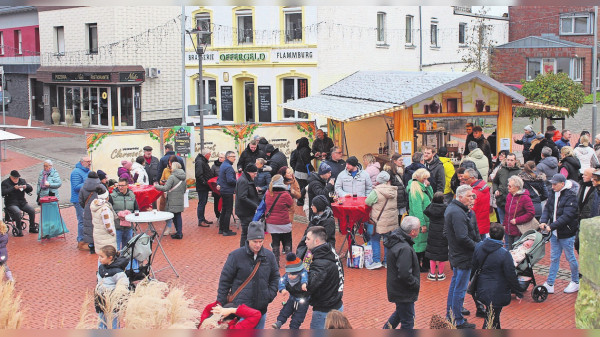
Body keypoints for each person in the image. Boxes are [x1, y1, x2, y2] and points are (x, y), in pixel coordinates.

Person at [216, 221, 279, 329]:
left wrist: (268, 296)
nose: (258, 245)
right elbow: (225, 281)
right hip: (240, 312)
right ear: (248, 239)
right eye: (255, 241)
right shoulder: (235, 256)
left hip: (260, 311)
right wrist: (220, 305)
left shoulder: (269, 256)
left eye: (261, 241)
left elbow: (275, 278)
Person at [472, 223, 524, 329]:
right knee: (491, 319)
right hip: (498, 291)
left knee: (493, 317)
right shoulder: (504, 254)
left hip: (482, 287)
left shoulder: (479, 247)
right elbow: (511, 275)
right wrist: (518, 291)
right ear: (502, 236)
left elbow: (474, 266)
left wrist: (473, 282)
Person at [444, 185, 480, 329]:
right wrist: (478, 247)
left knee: (455, 286)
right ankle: (457, 320)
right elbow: (462, 237)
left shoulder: (452, 209)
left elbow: (447, 233)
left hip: (456, 254)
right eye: (469, 196)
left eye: (472, 196)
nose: (472, 198)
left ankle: (451, 315)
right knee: (459, 288)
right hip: (463, 256)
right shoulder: (458, 213)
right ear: (460, 197)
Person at [540, 174, 580, 294]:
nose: (552, 186)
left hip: (566, 233)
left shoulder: (571, 196)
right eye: (552, 184)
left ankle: (575, 281)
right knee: (554, 258)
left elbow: (567, 216)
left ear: (562, 184)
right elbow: (547, 208)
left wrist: (551, 226)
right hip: (555, 233)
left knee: (570, 258)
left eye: (555, 184)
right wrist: (543, 221)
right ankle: (550, 282)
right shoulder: (553, 193)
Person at [382, 216, 421, 329]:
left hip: (398, 289)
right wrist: (415, 283)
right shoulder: (404, 248)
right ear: (413, 232)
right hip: (403, 291)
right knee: (408, 321)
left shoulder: (397, 241)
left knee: (400, 314)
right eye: (418, 228)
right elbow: (404, 274)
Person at [305, 226, 344, 329]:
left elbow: (309, 286)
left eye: (308, 239)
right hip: (337, 305)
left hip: (324, 312)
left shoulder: (320, 264)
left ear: (317, 241)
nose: (305, 241)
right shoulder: (331, 253)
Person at [365, 171, 398, 270]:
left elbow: (368, 202)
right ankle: (387, 262)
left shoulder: (376, 191)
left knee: (374, 239)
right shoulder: (394, 190)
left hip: (377, 221)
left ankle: (376, 261)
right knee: (387, 241)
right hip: (390, 221)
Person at [272, 253, 310, 329]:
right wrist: (282, 289)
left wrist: (304, 284)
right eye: (289, 274)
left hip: (303, 301)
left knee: (298, 317)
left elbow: (304, 277)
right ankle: (279, 322)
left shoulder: (302, 273)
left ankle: (293, 328)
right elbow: (282, 281)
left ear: (298, 273)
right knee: (285, 310)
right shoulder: (287, 275)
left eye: (292, 275)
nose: (290, 276)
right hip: (292, 298)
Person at [94, 245, 129, 329]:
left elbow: (123, 285)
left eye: (102, 256)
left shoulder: (118, 272)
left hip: (112, 302)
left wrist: (115, 296)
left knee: (114, 325)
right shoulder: (101, 268)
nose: (99, 258)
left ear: (110, 258)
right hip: (101, 300)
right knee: (101, 323)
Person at [407, 168, 433, 273]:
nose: (426, 180)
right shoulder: (415, 190)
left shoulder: (422, 188)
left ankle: (423, 265)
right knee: (418, 244)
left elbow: (432, 197)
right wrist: (422, 224)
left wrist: (429, 186)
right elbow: (417, 209)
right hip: (420, 221)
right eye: (424, 178)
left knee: (423, 244)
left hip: (425, 220)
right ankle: (418, 266)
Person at [264, 174, 295, 265]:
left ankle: (276, 263)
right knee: (287, 240)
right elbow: (290, 204)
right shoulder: (285, 194)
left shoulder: (268, 193)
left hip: (271, 223)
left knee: (275, 240)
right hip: (283, 222)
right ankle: (290, 261)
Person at [296, 195, 336, 259]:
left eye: (313, 205)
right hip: (312, 246)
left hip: (323, 251)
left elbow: (325, 238)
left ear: (318, 206)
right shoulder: (315, 217)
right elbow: (307, 231)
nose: (311, 207)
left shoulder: (329, 221)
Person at [154, 162, 186, 240]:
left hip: (172, 199)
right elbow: (184, 189)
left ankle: (178, 233)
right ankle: (179, 232)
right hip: (180, 199)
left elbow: (165, 188)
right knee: (178, 215)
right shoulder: (183, 177)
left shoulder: (172, 177)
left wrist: (156, 186)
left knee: (174, 216)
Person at [504, 176, 535, 249]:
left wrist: (517, 220)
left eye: (510, 186)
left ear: (517, 187)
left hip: (519, 230)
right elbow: (507, 213)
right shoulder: (509, 196)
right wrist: (505, 224)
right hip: (509, 230)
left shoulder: (525, 198)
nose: (508, 187)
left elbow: (531, 213)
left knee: (517, 251)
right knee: (509, 250)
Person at [424, 192, 448, 281]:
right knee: (442, 255)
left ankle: (432, 274)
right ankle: (441, 274)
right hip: (443, 232)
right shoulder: (446, 208)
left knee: (432, 254)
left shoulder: (431, 207)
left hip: (433, 233)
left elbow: (426, 211)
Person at [109, 178, 139, 250]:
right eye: (119, 185)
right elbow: (109, 211)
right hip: (117, 227)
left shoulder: (132, 196)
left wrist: (135, 219)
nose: (120, 187)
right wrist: (118, 215)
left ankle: (126, 261)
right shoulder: (112, 196)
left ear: (127, 186)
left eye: (122, 185)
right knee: (116, 248)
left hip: (129, 227)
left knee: (128, 249)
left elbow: (136, 209)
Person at [235, 164, 261, 245]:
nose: (255, 175)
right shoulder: (243, 181)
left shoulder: (246, 179)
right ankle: (243, 251)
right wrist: (255, 205)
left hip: (246, 210)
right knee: (246, 233)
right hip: (245, 211)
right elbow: (242, 197)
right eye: (254, 173)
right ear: (249, 172)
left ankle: (245, 249)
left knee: (247, 233)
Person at [492, 152, 521, 224]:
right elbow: (495, 182)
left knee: (512, 224)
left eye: (511, 160)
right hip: (501, 201)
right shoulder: (501, 171)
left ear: (515, 161)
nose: (509, 162)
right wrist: (496, 190)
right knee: (503, 224)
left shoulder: (519, 172)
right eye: (508, 160)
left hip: (513, 203)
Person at [80, 171, 104, 253]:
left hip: (88, 209)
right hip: (99, 209)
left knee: (89, 228)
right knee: (99, 226)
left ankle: (91, 247)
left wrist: (86, 207)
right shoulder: (101, 187)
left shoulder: (83, 187)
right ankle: (99, 246)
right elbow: (105, 197)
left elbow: (81, 201)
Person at [462, 168, 491, 239]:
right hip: (483, 222)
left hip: (475, 224)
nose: (464, 182)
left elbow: (471, 209)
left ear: (472, 178)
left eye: (465, 179)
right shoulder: (484, 187)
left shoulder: (474, 192)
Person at [71, 156, 91, 249]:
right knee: (82, 220)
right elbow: (75, 187)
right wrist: (89, 183)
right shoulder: (76, 172)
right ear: (82, 162)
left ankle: (87, 240)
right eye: (88, 162)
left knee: (87, 220)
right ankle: (81, 241)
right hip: (79, 200)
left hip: (87, 199)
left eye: (90, 161)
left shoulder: (88, 171)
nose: (90, 163)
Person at [217, 151, 238, 237]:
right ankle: (226, 230)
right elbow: (230, 180)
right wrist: (238, 182)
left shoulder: (223, 165)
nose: (234, 158)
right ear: (228, 157)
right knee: (228, 210)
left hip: (223, 190)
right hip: (228, 191)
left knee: (224, 210)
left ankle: (221, 229)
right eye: (233, 156)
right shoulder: (229, 167)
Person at [90, 187, 117, 251]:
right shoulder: (105, 208)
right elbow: (108, 225)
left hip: (98, 236)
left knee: (101, 255)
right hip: (106, 239)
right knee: (107, 257)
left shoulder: (95, 205)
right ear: (107, 197)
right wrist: (113, 233)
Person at [576, 168, 596, 254]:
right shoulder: (582, 185)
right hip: (579, 219)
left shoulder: (596, 189)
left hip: (590, 220)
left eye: (585, 175)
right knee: (577, 244)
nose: (583, 176)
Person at [195, 149, 215, 227]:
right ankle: (201, 220)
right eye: (209, 154)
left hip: (204, 186)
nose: (210, 156)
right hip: (202, 186)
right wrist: (205, 182)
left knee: (203, 202)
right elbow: (199, 174)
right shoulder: (200, 162)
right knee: (202, 203)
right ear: (206, 155)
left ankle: (202, 218)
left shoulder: (202, 161)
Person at [291, 137, 314, 206]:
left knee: (300, 186)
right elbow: (307, 161)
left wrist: (313, 157)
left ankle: (299, 200)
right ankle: (300, 199)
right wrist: (311, 169)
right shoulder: (306, 150)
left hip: (297, 170)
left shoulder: (298, 150)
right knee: (305, 186)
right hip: (303, 170)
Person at [386, 154, 409, 221]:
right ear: (395, 161)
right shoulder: (390, 172)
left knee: (401, 218)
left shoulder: (403, 170)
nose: (402, 162)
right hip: (395, 198)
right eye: (400, 160)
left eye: (402, 160)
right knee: (395, 218)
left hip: (402, 198)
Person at [211, 152, 225, 220]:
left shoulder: (227, 165)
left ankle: (224, 215)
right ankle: (218, 215)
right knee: (216, 201)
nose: (220, 159)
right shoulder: (214, 166)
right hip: (216, 187)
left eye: (222, 157)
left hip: (225, 187)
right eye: (219, 157)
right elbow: (211, 176)